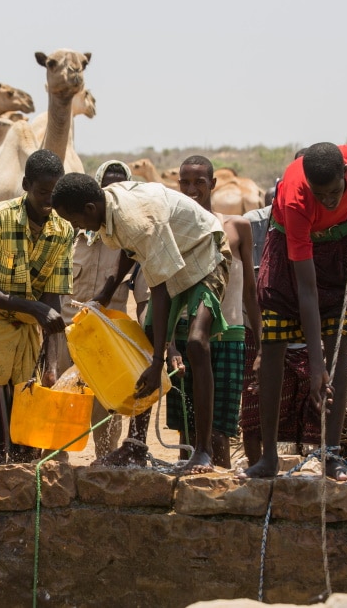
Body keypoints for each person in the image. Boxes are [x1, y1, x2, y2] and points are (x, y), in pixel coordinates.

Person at [241, 120, 347, 481]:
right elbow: (307, 290)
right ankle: (267, 457)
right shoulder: (296, 201)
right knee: (276, 342)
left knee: (338, 344)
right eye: (320, 194)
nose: (328, 200)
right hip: (289, 258)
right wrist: (315, 366)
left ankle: (331, 453)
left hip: (340, 249)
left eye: (334, 192)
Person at [52, 172, 230, 473]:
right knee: (143, 346)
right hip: (174, 259)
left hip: (204, 255)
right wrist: (105, 295)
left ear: (89, 209)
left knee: (197, 345)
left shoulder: (135, 219)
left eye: (75, 220)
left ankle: (203, 450)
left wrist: (158, 361)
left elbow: (158, 290)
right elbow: (128, 249)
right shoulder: (109, 207)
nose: (76, 227)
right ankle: (135, 446)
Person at [0, 149, 73, 467]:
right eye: (42, 193)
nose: (49, 201)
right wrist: (36, 310)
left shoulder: (63, 231)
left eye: (55, 193)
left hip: (27, 342)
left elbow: (53, 298)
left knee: (26, 441)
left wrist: (51, 363)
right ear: (26, 184)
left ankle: (23, 510)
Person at [166, 156, 261, 468]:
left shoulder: (238, 228)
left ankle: (221, 502)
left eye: (199, 182)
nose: (192, 189)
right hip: (185, 338)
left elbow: (249, 290)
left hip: (229, 337)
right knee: (186, 436)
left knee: (219, 434)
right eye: (186, 182)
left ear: (213, 184)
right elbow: (165, 290)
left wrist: (259, 339)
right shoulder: (172, 230)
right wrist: (170, 345)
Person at [58, 160, 133, 459]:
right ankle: (57, 461)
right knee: (62, 400)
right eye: (107, 185)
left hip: (108, 339)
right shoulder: (69, 235)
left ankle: (105, 462)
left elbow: (144, 297)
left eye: (120, 186)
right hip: (67, 334)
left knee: (107, 404)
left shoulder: (129, 241)